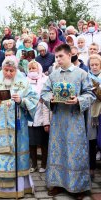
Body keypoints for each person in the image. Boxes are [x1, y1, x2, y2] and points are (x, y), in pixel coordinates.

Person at [0, 57, 39, 198]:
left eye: (11, 70)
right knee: (0, 157)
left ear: (16, 70)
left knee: (17, 157)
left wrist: (22, 101)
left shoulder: (23, 83)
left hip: (18, 130)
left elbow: (33, 99)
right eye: (6, 70)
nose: (8, 73)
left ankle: (20, 189)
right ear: (2, 69)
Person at [41, 44, 96, 199]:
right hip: (58, 120)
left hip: (74, 120)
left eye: (61, 56)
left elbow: (90, 95)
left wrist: (78, 100)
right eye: (56, 57)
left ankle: (78, 187)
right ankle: (58, 184)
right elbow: (44, 92)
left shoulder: (81, 74)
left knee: (75, 152)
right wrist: (50, 98)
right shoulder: (53, 75)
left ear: (70, 55)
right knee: (58, 150)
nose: (58, 59)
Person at [27, 61, 50, 173]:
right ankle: (34, 164)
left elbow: (48, 95)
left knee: (43, 142)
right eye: (30, 68)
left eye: (34, 68)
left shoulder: (45, 80)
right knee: (31, 143)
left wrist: (43, 98)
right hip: (30, 116)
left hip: (42, 114)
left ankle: (44, 164)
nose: (32, 70)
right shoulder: (25, 81)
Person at [88, 54, 101, 179]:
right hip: (91, 113)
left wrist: (97, 91)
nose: (94, 67)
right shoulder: (87, 77)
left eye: (96, 64)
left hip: (100, 112)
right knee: (91, 141)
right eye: (92, 65)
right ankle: (91, 168)